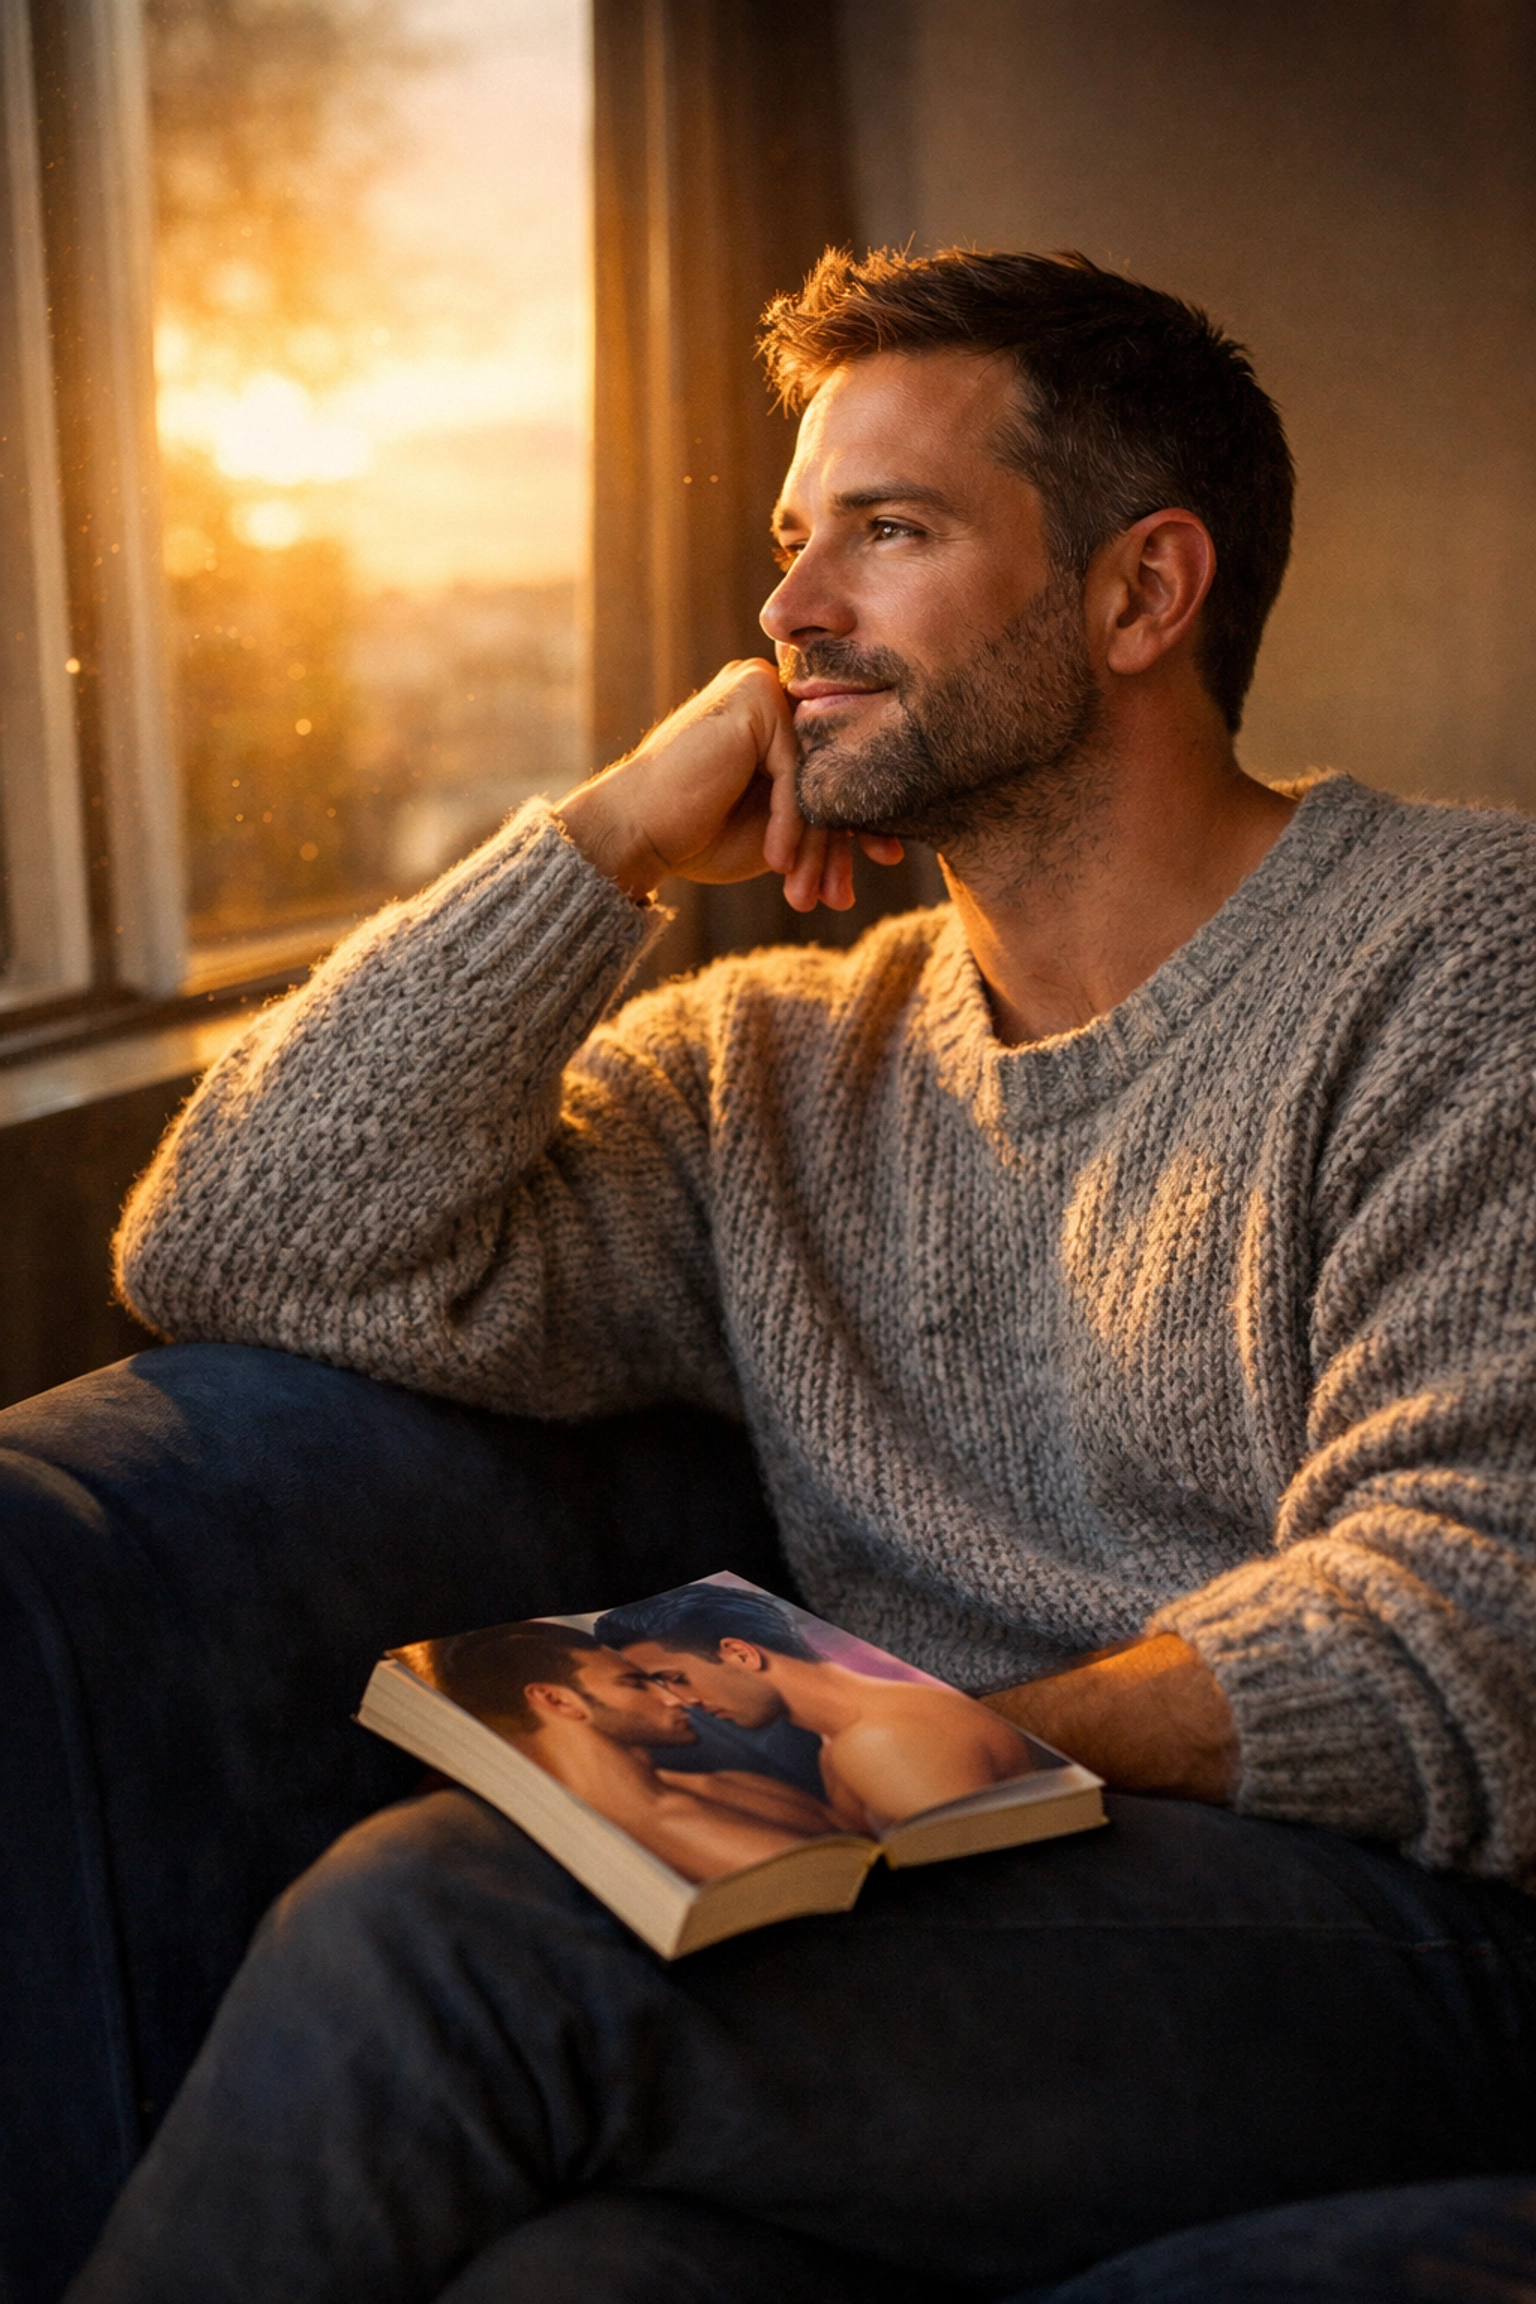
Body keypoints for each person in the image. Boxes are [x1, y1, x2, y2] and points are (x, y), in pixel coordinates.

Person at [71, 247, 1536, 2301]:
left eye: (891, 530)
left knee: (453, 1926)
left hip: (1411, 1938)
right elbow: (237, 1238)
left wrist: (880, 1766)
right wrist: (602, 851)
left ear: (1142, 594)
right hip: (977, 1933)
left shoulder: (1469, 960)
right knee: (574, 2284)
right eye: (789, 541)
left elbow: (1476, 1614)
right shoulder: (771, 1064)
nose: (786, 614)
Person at [593, 1585, 1032, 1831]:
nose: (681, 1702)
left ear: (740, 1653)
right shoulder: (847, 1734)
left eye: (675, 1678)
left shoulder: (879, 1739)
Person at [417, 1621, 835, 1875]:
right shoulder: (545, 1848)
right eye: (635, 1684)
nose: (676, 1699)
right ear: (558, 1700)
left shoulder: (732, 1784)